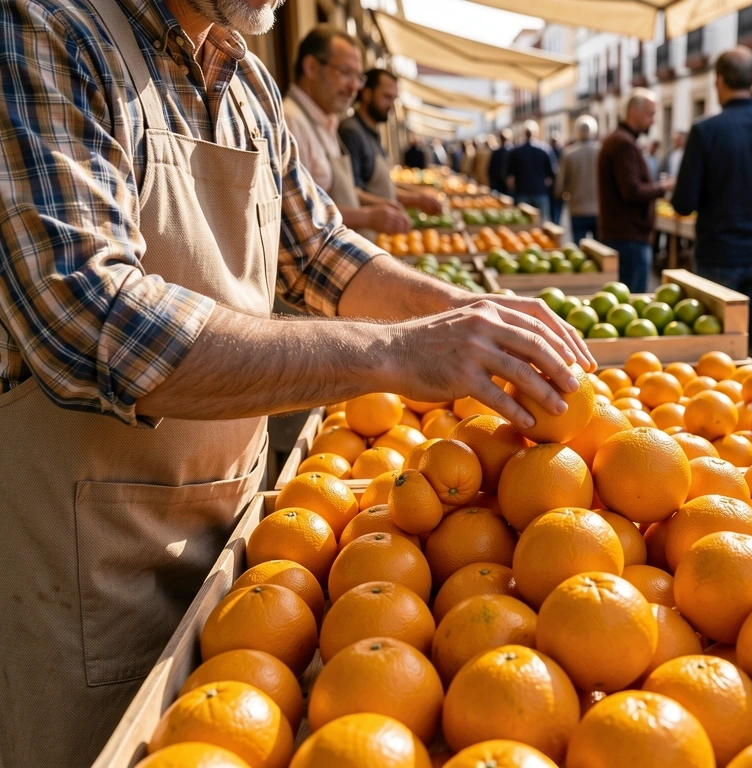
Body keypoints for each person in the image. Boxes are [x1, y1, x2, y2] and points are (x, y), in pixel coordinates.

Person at [0, 1, 596, 763]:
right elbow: (86, 317)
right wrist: (395, 352)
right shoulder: (48, 29)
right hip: (89, 559)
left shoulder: (245, 77)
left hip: (242, 538)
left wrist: (467, 313)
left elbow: (318, 254)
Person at [671, 47, 752, 369]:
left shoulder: (705, 131)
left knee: (720, 347)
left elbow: (683, 203)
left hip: (719, 254)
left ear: (718, 81)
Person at [283, 26, 409, 236]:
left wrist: (384, 204)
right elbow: (298, 212)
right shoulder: (290, 121)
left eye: (358, 77)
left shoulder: (326, 120)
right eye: (345, 73)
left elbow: (342, 192)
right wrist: (369, 216)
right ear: (311, 67)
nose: (354, 87)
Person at [598, 89, 675, 293]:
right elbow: (632, 192)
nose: (654, 120)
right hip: (628, 237)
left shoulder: (621, 140)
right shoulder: (623, 143)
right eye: (651, 114)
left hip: (625, 235)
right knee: (632, 300)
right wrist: (664, 187)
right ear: (634, 113)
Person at [338, 69, 441, 214]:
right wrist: (401, 203)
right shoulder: (351, 132)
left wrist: (417, 196)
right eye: (387, 97)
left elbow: (383, 188)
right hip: (364, 230)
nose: (391, 106)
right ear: (367, 94)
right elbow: (351, 192)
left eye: (394, 99)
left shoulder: (373, 133)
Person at [555, 115, 601, 244]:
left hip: (577, 208)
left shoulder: (569, 153)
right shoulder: (601, 151)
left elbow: (560, 184)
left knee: (578, 249)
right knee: (599, 250)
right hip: (599, 209)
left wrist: (561, 195)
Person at [506, 120, 557, 222]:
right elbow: (552, 173)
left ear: (524, 134)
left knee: (523, 224)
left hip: (522, 191)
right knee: (540, 224)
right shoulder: (545, 149)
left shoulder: (516, 151)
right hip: (540, 192)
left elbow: (509, 175)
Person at [489, 129, 514, 195]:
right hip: (506, 184)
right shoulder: (511, 151)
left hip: (499, 184)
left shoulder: (496, 152)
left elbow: (491, 168)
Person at [549, 130, 565, 226]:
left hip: (556, 185)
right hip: (553, 186)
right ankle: (555, 223)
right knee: (555, 208)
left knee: (556, 208)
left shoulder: (562, 152)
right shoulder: (550, 151)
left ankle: (555, 223)